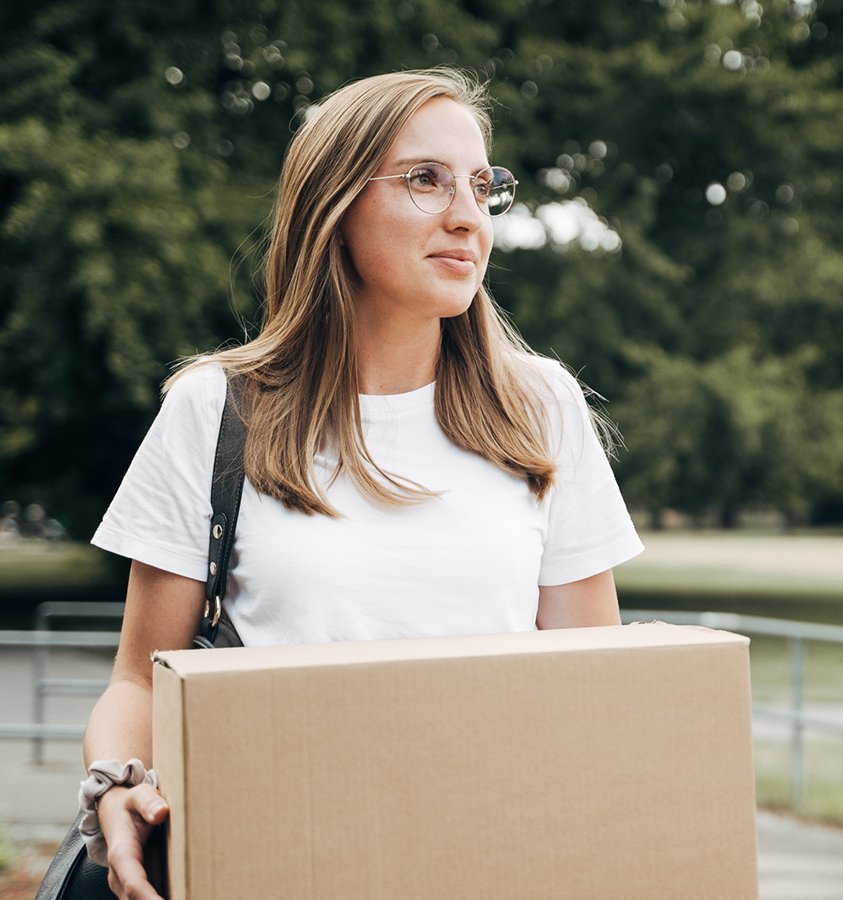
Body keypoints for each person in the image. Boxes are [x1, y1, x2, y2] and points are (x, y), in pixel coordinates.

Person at [80, 69, 643, 900]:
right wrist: (118, 785)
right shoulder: (219, 406)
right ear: (332, 206)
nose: (467, 214)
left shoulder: (542, 406)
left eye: (482, 186)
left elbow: (589, 687)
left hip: (492, 862)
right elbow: (138, 678)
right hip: (271, 859)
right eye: (426, 179)